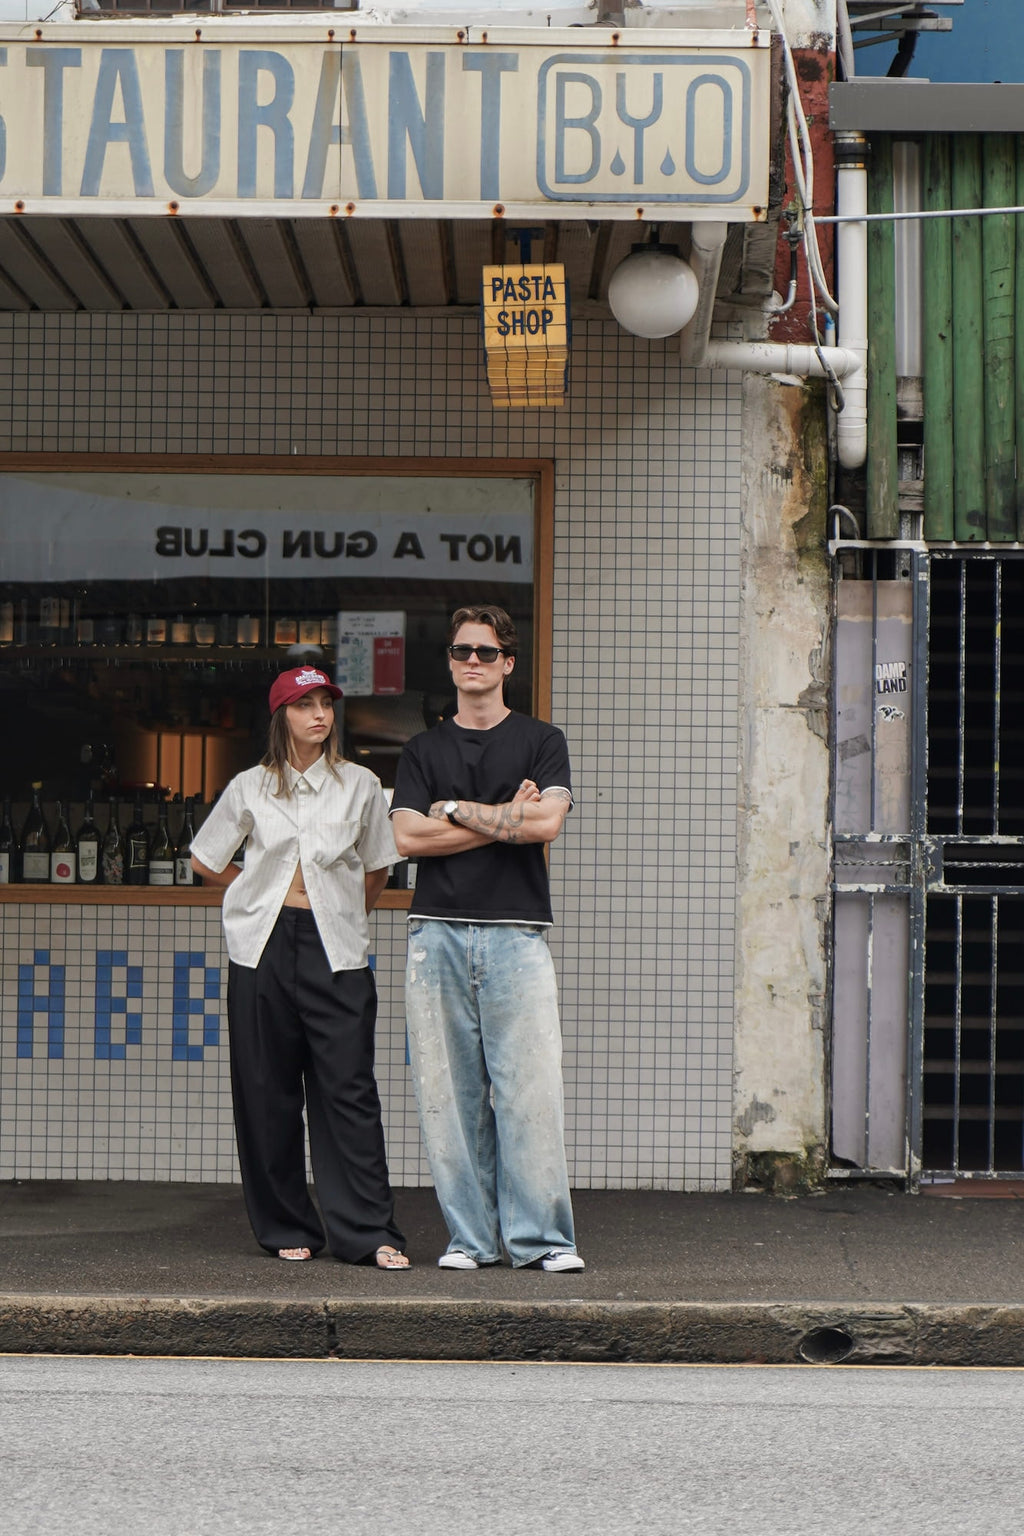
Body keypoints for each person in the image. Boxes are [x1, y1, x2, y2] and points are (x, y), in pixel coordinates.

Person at [190, 664, 410, 1270]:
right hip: (260, 946)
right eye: (303, 704)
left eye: (325, 703)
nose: (319, 714)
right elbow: (208, 860)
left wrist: (338, 913)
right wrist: (257, 892)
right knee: (267, 1091)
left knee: (349, 1091)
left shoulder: (361, 784)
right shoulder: (249, 786)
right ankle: (287, 1223)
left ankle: (368, 1232)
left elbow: (378, 867)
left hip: (336, 948)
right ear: (280, 716)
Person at [391, 605, 583, 1272]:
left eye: (485, 651)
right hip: (435, 931)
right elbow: (408, 839)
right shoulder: (422, 750)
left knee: (530, 1090)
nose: (472, 661)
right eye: (461, 650)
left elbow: (546, 825)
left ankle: (543, 1242)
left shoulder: (541, 740)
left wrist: (454, 809)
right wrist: (505, 815)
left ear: (507, 663)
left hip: (516, 931)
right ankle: (471, 1240)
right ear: (449, 662)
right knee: (449, 1097)